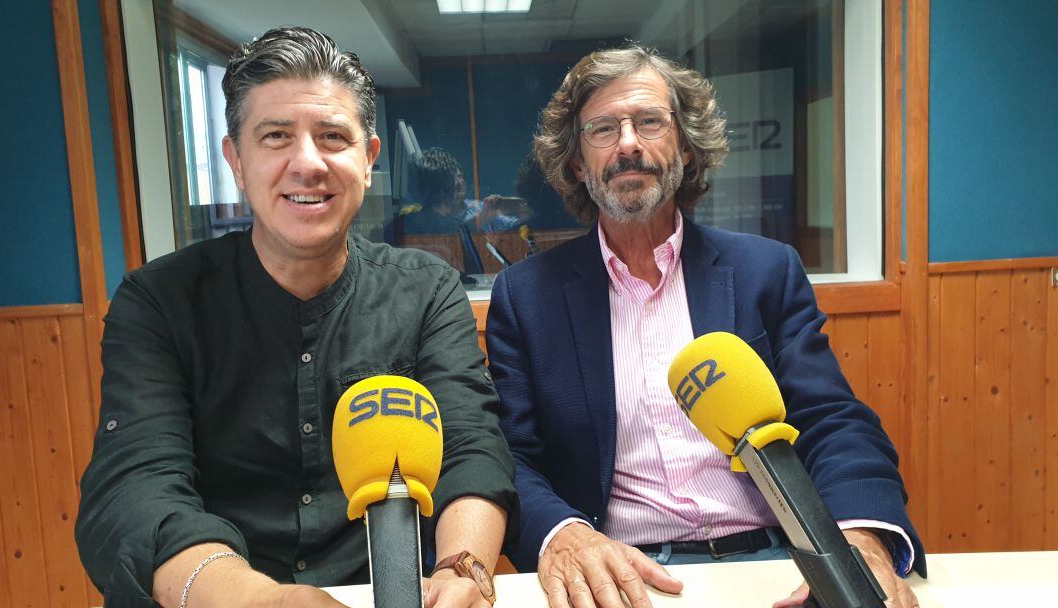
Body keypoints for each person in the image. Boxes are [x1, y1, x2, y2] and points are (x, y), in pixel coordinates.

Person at [76, 27, 514, 608]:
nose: (306, 163)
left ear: (368, 159)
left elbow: (472, 449)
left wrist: (465, 570)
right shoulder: (158, 301)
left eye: (333, 136)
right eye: (276, 136)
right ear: (235, 158)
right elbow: (134, 493)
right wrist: (264, 601)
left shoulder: (428, 291)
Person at [484, 46, 924, 608]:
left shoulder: (766, 271)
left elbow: (833, 421)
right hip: (626, 578)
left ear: (687, 149)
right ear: (576, 163)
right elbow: (511, 456)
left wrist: (860, 540)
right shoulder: (527, 297)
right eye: (602, 129)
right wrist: (565, 536)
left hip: (780, 562)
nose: (627, 144)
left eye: (649, 122)